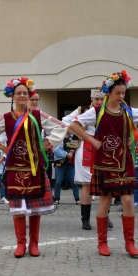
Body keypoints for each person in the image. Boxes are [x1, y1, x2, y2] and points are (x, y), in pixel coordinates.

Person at [0, 77, 67, 258]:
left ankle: (34, 244)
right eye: (18, 93)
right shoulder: (6, 118)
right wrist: (1, 147)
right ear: (12, 95)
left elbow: (61, 127)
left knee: (35, 208)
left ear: (29, 96)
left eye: (25, 93)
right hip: (15, 168)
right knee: (18, 208)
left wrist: (47, 143)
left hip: (35, 167)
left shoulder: (38, 115)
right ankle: (20, 244)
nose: (21, 96)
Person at [69, 70, 138, 257]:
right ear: (109, 92)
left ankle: (130, 244)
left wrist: (134, 138)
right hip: (104, 163)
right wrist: (91, 140)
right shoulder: (97, 111)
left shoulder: (130, 112)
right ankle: (102, 243)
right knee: (105, 202)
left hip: (124, 162)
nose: (121, 96)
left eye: (123, 93)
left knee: (128, 201)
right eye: (118, 93)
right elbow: (73, 125)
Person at [62, 90, 109, 230]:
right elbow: (64, 122)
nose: (99, 102)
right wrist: (79, 134)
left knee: (106, 184)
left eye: (101, 99)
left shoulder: (108, 110)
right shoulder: (82, 111)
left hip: (104, 147)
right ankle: (85, 219)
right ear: (91, 98)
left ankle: (105, 216)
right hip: (87, 147)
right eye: (96, 99)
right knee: (87, 184)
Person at [53, 134, 80, 205]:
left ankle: (77, 199)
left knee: (73, 181)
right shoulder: (58, 137)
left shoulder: (73, 137)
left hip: (70, 163)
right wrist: (66, 154)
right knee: (58, 181)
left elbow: (75, 147)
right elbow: (55, 149)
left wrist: (72, 152)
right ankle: (57, 198)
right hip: (60, 162)